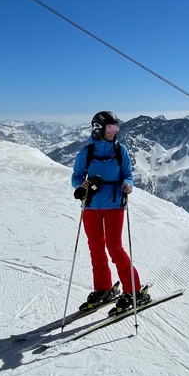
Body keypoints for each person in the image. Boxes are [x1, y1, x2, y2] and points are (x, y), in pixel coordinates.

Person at [72, 111, 151, 315]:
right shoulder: (86, 152)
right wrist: (81, 186)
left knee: (114, 248)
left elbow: (128, 175)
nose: (114, 131)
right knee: (96, 248)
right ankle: (103, 288)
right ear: (98, 129)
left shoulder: (120, 151)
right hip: (91, 206)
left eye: (116, 127)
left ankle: (133, 290)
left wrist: (128, 185)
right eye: (110, 127)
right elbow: (76, 176)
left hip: (115, 205)